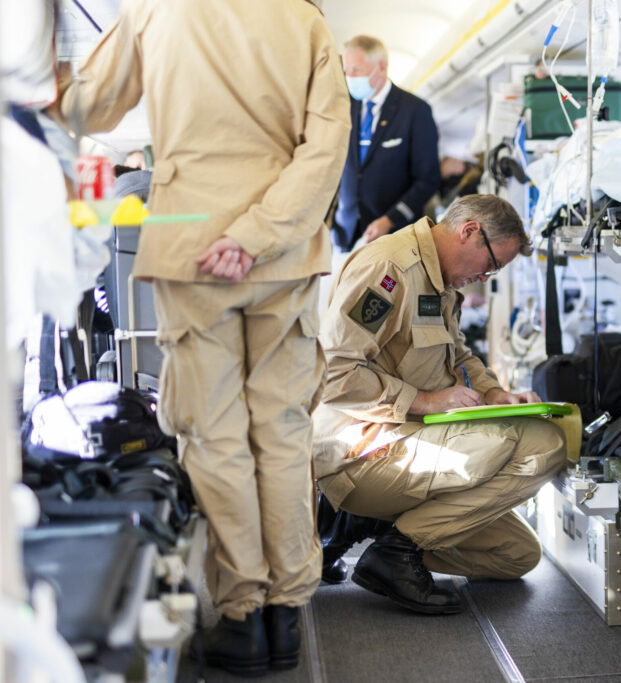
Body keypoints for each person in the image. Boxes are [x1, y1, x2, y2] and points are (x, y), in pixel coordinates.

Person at [50, 0, 350, 675]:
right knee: (282, 430)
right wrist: (258, 234)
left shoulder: (156, 10)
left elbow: (86, 105)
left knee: (215, 437)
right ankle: (286, 612)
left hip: (192, 249)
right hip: (284, 258)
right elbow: (326, 151)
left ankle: (242, 616)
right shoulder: (305, 21)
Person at [313, 194, 567, 614]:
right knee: (544, 443)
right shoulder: (390, 270)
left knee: (518, 555)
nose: (485, 278)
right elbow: (333, 372)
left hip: (414, 440)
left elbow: (457, 355)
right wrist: (425, 400)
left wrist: (493, 393)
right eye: (491, 266)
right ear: (469, 231)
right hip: (363, 451)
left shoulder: (442, 281)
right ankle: (397, 550)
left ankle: (376, 525)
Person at [332, 35, 441, 250]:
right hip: (345, 234)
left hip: (395, 236)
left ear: (381, 67)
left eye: (356, 70)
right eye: (346, 71)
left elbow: (428, 180)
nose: (349, 77)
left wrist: (390, 219)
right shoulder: (344, 107)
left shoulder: (414, 111)